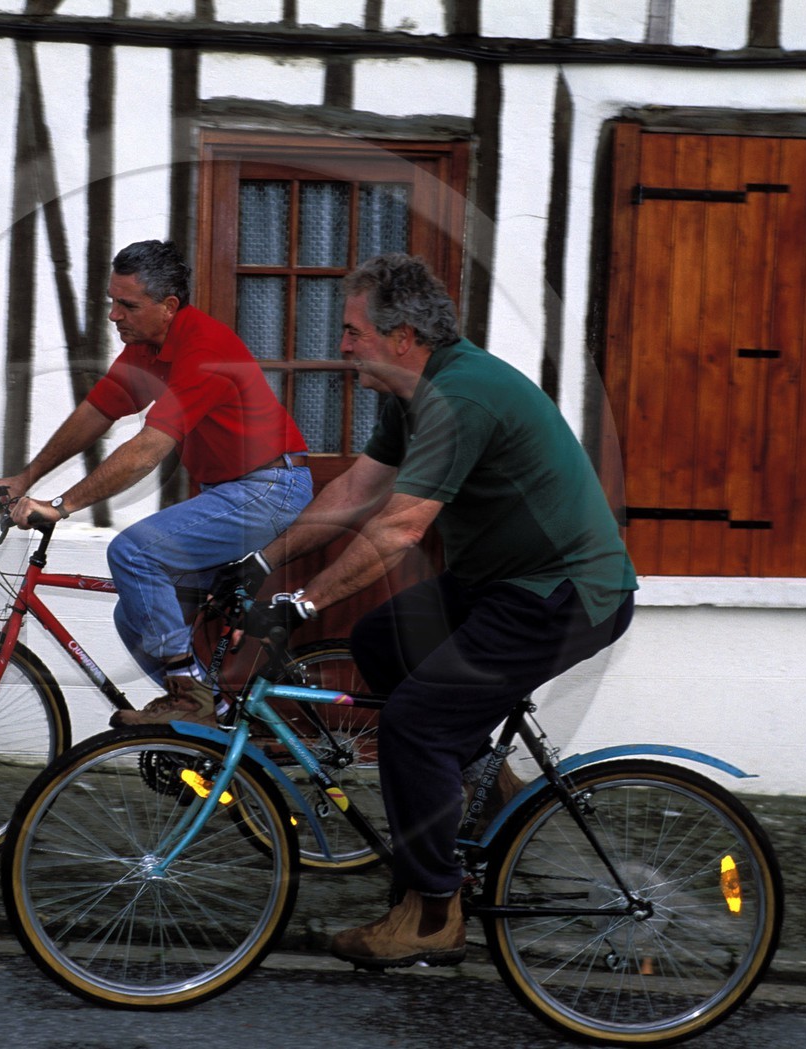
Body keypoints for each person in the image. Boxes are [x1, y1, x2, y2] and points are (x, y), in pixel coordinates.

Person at [225, 253, 637, 970]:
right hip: (499, 581)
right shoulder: (413, 393)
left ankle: (433, 909)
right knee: (382, 640)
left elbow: (398, 528)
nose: (343, 344)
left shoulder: (461, 396)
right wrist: (263, 562)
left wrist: (300, 601)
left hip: (566, 591)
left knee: (415, 721)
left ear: (404, 335)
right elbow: (358, 491)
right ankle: (490, 792)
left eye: (353, 330)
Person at [0, 239, 311, 728]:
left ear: (169, 307)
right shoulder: (145, 348)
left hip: (269, 485)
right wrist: (26, 477)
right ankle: (220, 718)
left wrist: (61, 504)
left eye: (127, 305)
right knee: (134, 614)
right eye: (110, 302)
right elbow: (96, 413)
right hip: (230, 491)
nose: (113, 316)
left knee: (134, 552)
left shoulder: (204, 350)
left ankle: (191, 700)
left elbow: (147, 450)